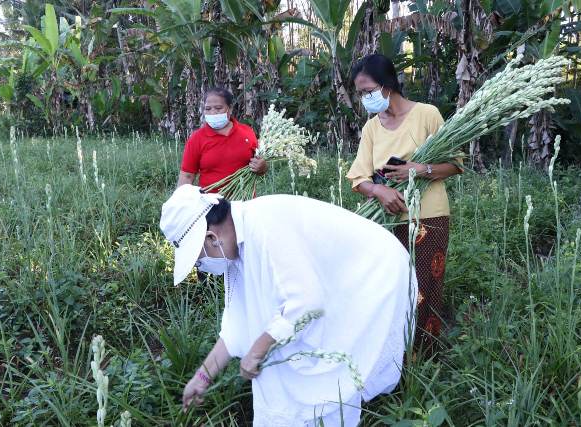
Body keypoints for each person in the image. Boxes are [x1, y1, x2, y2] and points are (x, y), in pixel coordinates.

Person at [159, 185, 417, 426]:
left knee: (335, 366)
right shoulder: (236, 248)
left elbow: (306, 303)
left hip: (373, 273)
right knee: (283, 351)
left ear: (211, 238)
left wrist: (258, 349)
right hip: (333, 278)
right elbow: (238, 326)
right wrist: (202, 377)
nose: (202, 269)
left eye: (199, 261)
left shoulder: (267, 227)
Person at [346, 54, 463, 348]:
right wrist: (379, 191)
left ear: (387, 84)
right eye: (360, 94)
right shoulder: (372, 128)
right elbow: (358, 178)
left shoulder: (427, 114)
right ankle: (392, 355)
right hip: (385, 220)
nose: (365, 98)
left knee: (425, 289)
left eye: (368, 91)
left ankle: (424, 358)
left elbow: (455, 164)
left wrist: (419, 169)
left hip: (429, 217)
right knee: (391, 289)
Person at [177, 87, 268, 190]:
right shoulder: (197, 138)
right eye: (208, 109)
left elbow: (259, 165)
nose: (213, 112)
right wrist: (179, 201)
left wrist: (262, 167)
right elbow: (187, 176)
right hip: (211, 203)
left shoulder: (247, 133)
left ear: (230, 109)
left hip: (245, 202)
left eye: (218, 108)